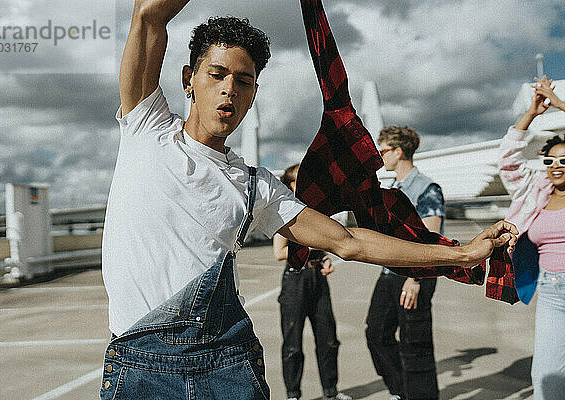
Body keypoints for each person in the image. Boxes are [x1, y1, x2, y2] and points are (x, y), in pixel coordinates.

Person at [100, 0, 518, 398]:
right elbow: (149, 15)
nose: (229, 89)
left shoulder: (254, 185)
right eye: (217, 74)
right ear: (188, 79)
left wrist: (464, 255)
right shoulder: (147, 129)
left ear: (253, 93)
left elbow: (348, 241)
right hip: (140, 369)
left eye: (243, 81)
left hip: (226, 366)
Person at [498, 75, 565, 400]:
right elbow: (509, 160)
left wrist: (560, 103)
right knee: (546, 375)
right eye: (550, 160)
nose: (557, 166)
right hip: (552, 290)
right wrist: (532, 113)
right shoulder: (536, 189)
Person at [365, 126, 444, 400]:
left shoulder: (426, 188)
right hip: (389, 273)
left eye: (383, 150)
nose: (380, 156)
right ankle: (401, 391)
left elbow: (431, 239)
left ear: (398, 152)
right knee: (376, 333)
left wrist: (416, 278)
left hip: (414, 276)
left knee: (415, 346)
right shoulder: (393, 188)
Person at [273, 164, 352, 400]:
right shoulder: (283, 210)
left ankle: (331, 392)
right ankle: (293, 395)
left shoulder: (316, 213)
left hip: (317, 277)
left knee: (328, 340)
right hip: (296, 280)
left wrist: (325, 259)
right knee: (293, 344)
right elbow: (279, 252)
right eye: (299, 180)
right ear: (291, 186)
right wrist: (320, 244)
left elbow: (324, 247)